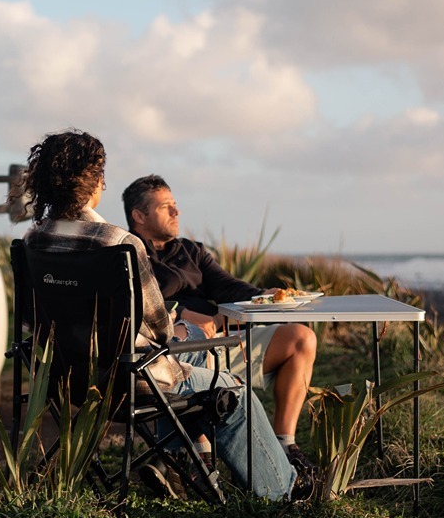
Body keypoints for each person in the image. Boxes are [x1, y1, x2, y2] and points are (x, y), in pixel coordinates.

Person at [19, 129, 302, 501]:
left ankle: (188, 460)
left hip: (64, 378)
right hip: (128, 382)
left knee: (195, 363)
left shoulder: (32, 242)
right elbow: (161, 330)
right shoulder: (118, 243)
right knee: (234, 391)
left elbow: (31, 319)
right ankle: (284, 490)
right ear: (92, 185)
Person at [122, 174, 318, 471]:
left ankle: (284, 444)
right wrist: (181, 311)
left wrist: (265, 295)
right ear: (139, 215)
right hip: (173, 353)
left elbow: (229, 287)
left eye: (175, 205)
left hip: (221, 344)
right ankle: (193, 460)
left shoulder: (192, 251)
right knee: (188, 339)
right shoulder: (128, 254)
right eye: (165, 207)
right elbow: (134, 303)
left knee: (301, 339)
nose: (177, 212)